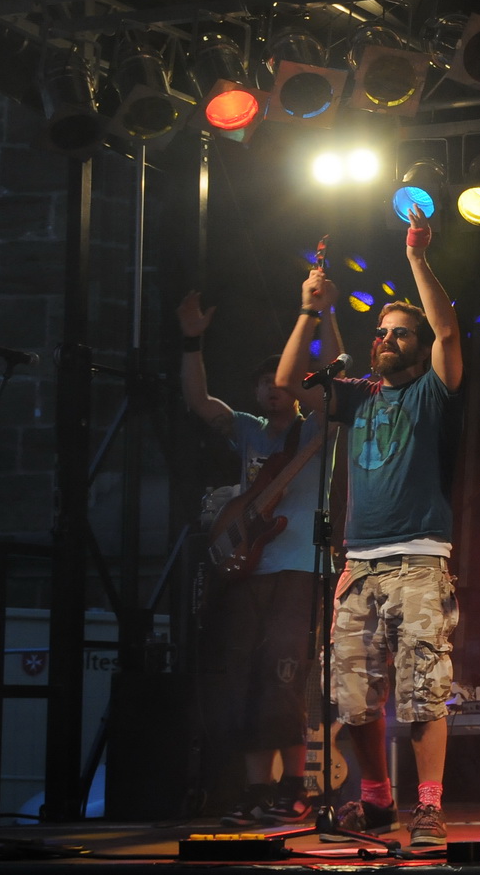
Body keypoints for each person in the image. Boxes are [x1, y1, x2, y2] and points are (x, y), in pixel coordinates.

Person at [275, 204, 462, 848]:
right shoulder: (356, 396)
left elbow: (448, 332)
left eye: (399, 334)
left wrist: (415, 256)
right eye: (381, 331)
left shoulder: (431, 392)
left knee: (421, 692)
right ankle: (378, 802)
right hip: (360, 564)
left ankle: (429, 809)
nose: (386, 339)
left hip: (418, 559)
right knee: (352, 694)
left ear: (417, 348)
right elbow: (284, 383)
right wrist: (308, 309)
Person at [178, 289, 344, 827]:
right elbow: (199, 403)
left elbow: (337, 376)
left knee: (285, 674)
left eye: (282, 383)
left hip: (301, 569)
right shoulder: (248, 430)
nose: (272, 390)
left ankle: (294, 789)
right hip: (247, 569)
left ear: (295, 390)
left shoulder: (317, 428)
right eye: (263, 384)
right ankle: (257, 791)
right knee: (247, 677)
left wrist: (325, 312)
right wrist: (191, 341)